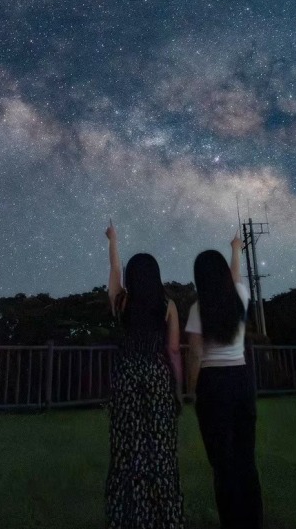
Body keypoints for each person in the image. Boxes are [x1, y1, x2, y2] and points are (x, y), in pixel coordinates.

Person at [104, 220, 185, 529]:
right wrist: (177, 390)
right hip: (156, 376)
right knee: (160, 448)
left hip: (126, 377)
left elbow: (114, 271)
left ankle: (129, 517)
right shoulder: (168, 305)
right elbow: (174, 350)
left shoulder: (122, 301)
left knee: (127, 448)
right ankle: (164, 517)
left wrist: (113, 240)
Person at [186, 234, 263, 529]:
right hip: (242, 380)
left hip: (213, 384)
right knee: (246, 456)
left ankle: (231, 521)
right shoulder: (241, 297)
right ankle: (252, 520)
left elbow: (194, 354)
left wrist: (192, 391)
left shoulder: (198, 308)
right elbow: (237, 276)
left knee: (222, 461)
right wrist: (235, 250)